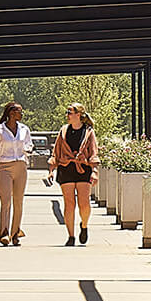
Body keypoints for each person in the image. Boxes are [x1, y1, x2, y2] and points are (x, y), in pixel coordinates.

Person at [54, 104, 97, 246]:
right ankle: (71, 236)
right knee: (69, 203)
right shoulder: (63, 131)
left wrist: (95, 171)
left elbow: (93, 152)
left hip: (83, 168)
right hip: (66, 168)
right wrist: (52, 167)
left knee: (84, 203)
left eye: (70, 112)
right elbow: (57, 150)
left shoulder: (88, 132)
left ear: (78, 115)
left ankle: (84, 225)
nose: (67, 115)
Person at [0, 101, 34, 246]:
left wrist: (28, 149)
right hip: (5, 166)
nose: (22, 114)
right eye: (19, 111)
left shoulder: (24, 129)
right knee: (6, 201)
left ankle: (15, 233)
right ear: (11, 113)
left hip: (21, 166)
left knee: (18, 201)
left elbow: (29, 143)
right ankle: (3, 233)